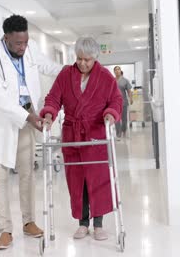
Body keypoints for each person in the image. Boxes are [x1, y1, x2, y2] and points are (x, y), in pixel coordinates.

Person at [0, 14, 64, 250]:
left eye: (26, 42)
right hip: (3, 121)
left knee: (27, 172)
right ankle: (5, 230)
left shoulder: (30, 47)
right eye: (19, 43)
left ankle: (29, 222)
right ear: (6, 38)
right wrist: (30, 118)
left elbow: (47, 66)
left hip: (28, 112)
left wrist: (72, 69)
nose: (23, 47)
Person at [39, 36, 123, 241]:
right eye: (79, 58)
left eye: (87, 60)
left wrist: (110, 114)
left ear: (95, 58)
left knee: (98, 180)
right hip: (72, 136)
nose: (83, 63)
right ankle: (83, 223)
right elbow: (53, 97)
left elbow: (116, 100)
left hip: (95, 135)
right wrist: (49, 114)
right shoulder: (65, 74)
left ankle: (99, 224)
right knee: (77, 182)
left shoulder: (104, 77)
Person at [114, 66, 133, 139]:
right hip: (115, 103)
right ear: (114, 72)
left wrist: (131, 98)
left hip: (124, 102)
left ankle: (124, 130)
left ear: (120, 71)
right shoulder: (112, 80)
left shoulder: (125, 80)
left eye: (118, 69)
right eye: (115, 70)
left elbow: (129, 90)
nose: (117, 71)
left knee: (124, 119)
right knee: (117, 118)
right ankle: (118, 133)